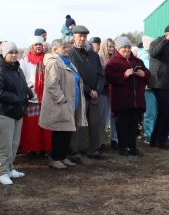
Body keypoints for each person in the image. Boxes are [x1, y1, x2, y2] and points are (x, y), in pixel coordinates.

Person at [0, 42, 32, 185]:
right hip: (1, 111)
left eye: (15, 52)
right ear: (3, 54)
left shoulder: (17, 68)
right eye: (10, 52)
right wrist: (19, 98)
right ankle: (2, 173)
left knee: (14, 143)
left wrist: (28, 92)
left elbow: (22, 84)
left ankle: (10, 168)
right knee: (4, 144)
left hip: (15, 111)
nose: (13, 55)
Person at [39, 39, 86, 169]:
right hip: (61, 104)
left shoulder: (67, 62)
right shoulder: (54, 63)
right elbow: (52, 85)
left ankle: (62, 156)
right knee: (60, 132)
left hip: (71, 103)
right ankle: (55, 158)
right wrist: (61, 99)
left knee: (67, 132)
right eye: (63, 46)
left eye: (67, 46)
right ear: (54, 50)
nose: (66, 48)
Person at [104, 37, 150, 156]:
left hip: (136, 101)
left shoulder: (138, 61)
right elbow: (109, 77)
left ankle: (133, 147)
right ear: (118, 48)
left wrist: (144, 74)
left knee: (133, 125)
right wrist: (124, 75)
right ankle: (123, 147)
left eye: (129, 47)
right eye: (124, 47)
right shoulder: (113, 63)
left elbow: (148, 74)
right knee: (122, 125)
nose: (127, 49)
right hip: (121, 101)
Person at [68, 25, 106, 160]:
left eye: (84, 36)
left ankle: (93, 149)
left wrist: (98, 90)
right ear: (74, 37)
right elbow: (74, 75)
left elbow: (101, 74)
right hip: (79, 95)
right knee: (77, 123)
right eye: (80, 36)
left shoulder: (93, 55)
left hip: (95, 95)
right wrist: (89, 91)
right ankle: (74, 151)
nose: (82, 39)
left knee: (95, 123)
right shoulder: (70, 53)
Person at [18, 36, 52, 158]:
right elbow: (21, 77)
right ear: (31, 46)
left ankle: (45, 148)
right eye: (36, 45)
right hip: (32, 96)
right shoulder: (25, 61)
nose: (38, 46)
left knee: (46, 124)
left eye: (40, 44)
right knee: (33, 125)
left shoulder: (47, 59)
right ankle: (33, 148)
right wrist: (28, 86)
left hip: (46, 96)